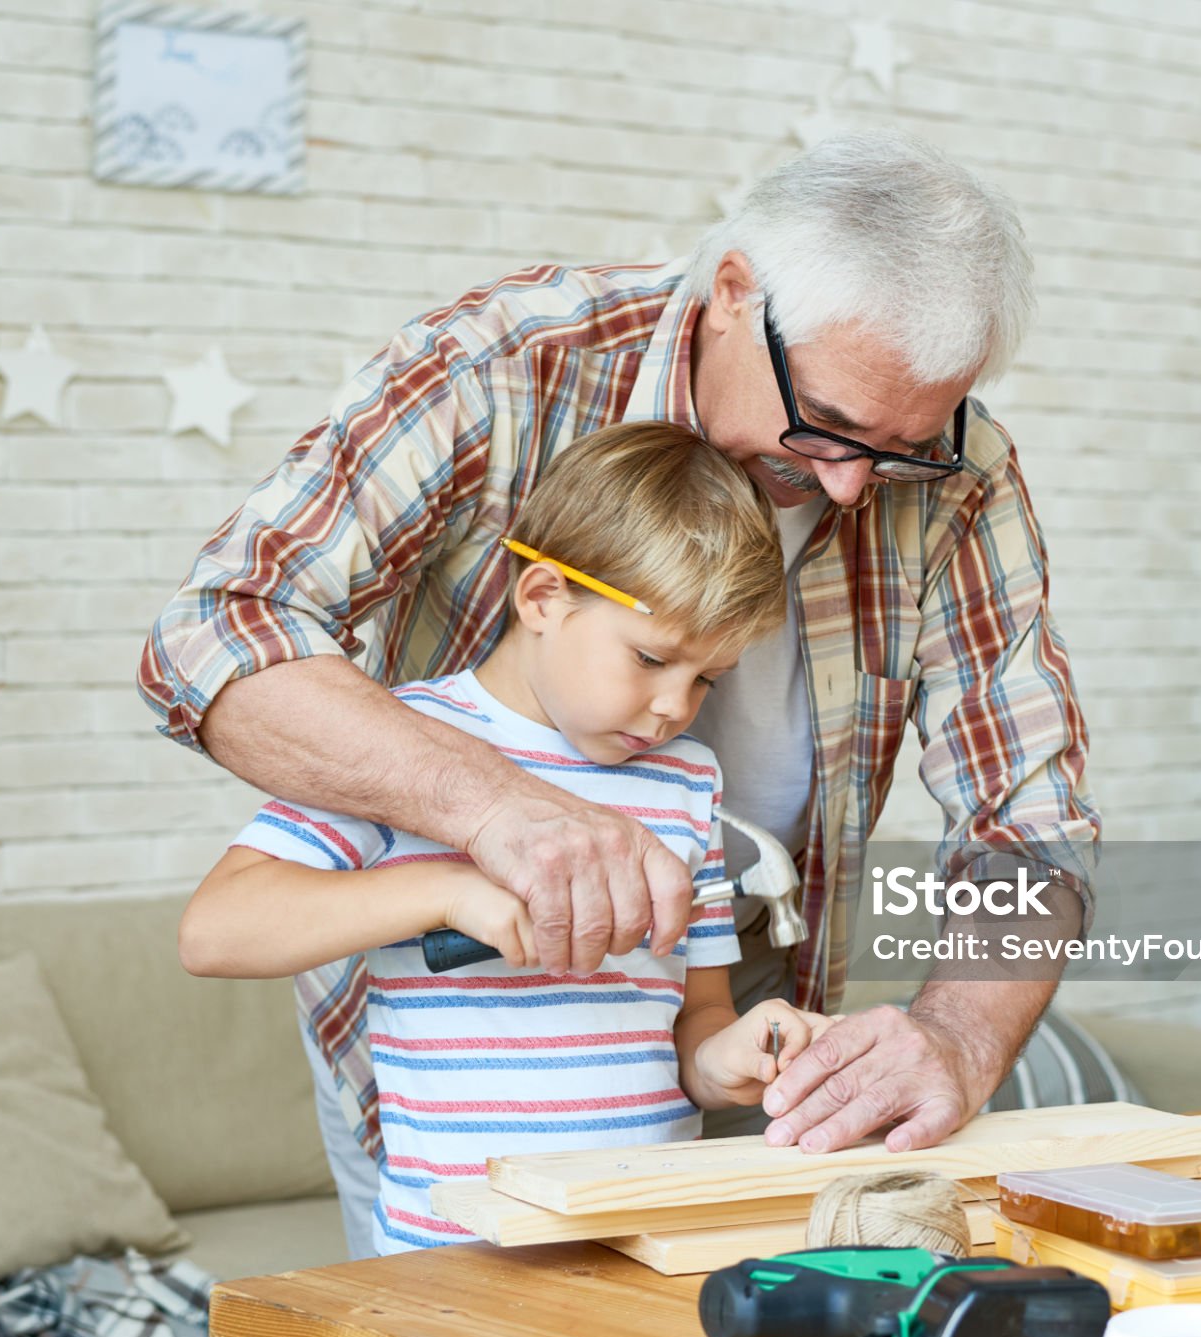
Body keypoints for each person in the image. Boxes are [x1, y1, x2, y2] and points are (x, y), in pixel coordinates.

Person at [140, 129, 1100, 1182]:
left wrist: (956, 1038)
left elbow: (1029, 822)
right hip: (440, 1073)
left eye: (901, 451)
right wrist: (500, 812)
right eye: (825, 425)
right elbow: (217, 628)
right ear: (734, 292)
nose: (849, 490)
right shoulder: (505, 365)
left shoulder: (958, 471)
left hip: (727, 1046)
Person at [177, 421, 829, 1256]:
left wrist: (726, 1056)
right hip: (451, 1254)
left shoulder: (685, 781)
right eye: (649, 658)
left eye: (705, 677)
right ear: (543, 598)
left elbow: (692, 1018)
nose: (674, 706)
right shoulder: (404, 745)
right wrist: (445, 891)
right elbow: (214, 929)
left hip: (642, 1244)